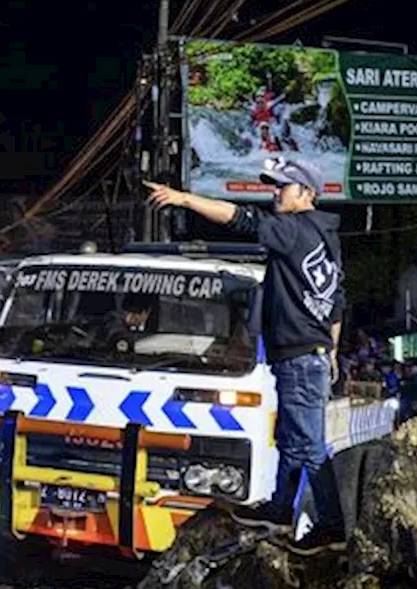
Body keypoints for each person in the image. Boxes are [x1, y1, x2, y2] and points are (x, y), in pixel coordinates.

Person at [145, 156, 346, 555]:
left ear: (306, 194)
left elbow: (240, 218)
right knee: (291, 440)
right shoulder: (326, 236)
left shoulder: (293, 230)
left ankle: (333, 527)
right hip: (310, 351)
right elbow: (337, 300)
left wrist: (186, 199)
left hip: (301, 355)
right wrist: (333, 348)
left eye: (282, 187)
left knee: (308, 446)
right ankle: (279, 510)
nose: (275, 193)